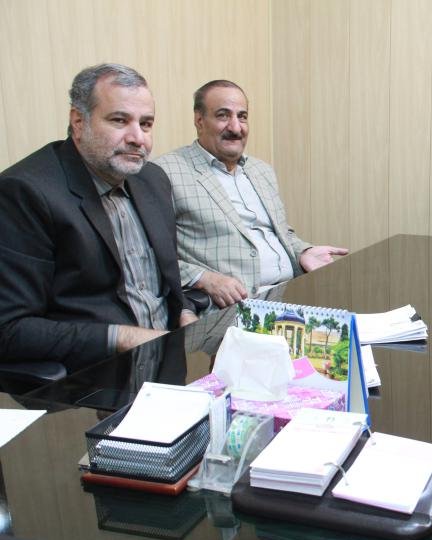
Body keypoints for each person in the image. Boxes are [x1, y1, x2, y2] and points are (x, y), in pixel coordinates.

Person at [0, 64, 196, 372]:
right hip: (96, 377)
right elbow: (9, 329)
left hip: (166, 361)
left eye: (146, 124)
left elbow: (165, 283)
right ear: (78, 122)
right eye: (119, 120)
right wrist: (123, 337)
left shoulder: (153, 179)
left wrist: (184, 311)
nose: (138, 138)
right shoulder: (25, 192)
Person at [155, 80, 348, 309]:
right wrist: (204, 279)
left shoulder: (261, 170)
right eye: (223, 115)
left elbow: (281, 233)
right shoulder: (165, 172)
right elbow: (150, 257)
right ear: (199, 120)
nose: (236, 128)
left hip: (292, 293)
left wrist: (303, 252)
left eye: (242, 116)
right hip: (235, 308)